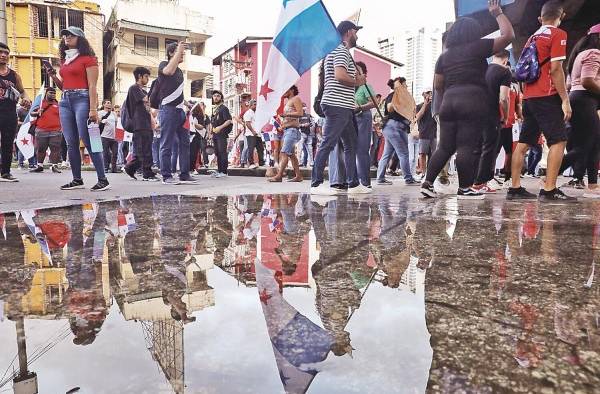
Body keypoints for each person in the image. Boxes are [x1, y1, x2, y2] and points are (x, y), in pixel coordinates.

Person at [421, 0, 514, 199]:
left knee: (444, 146)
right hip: (472, 101)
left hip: (448, 102)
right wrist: (497, 13)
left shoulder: (444, 56)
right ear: (474, 33)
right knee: (466, 146)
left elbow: (438, 84)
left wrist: (451, 95)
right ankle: (464, 188)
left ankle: (427, 183)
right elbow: (508, 36)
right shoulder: (479, 47)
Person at [507, 0, 574, 201]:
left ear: (540, 19)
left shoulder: (531, 38)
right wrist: (565, 99)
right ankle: (549, 190)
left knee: (524, 143)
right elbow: (555, 69)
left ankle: (515, 187)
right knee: (559, 140)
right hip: (547, 95)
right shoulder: (558, 34)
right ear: (561, 17)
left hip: (529, 97)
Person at [44, 26, 109, 191]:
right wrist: (53, 75)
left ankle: (103, 179)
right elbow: (63, 86)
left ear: (80, 38)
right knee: (71, 142)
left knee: (89, 140)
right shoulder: (64, 61)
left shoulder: (89, 59)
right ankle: (76, 179)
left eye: (71, 35)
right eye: (65, 35)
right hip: (65, 101)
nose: (67, 37)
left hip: (83, 100)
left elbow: (93, 86)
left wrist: (93, 109)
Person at [310, 20, 366, 195]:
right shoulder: (340, 50)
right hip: (337, 105)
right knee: (328, 143)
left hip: (344, 105)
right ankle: (316, 184)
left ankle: (354, 184)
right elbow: (340, 75)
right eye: (356, 32)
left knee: (351, 145)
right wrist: (358, 81)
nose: (357, 36)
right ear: (349, 32)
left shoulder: (339, 51)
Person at [559, 24, 600, 198]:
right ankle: (550, 175)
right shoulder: (594, 53)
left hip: (578, 100)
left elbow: (569, 85)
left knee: (593, 144)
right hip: (585, 101)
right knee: (585, 147)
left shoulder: (577, 55)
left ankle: (592, 185)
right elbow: (587, 81)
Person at [473, 49, 512, 193]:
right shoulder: (504, 72)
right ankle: (480, 182)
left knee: (477, 148)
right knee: (489, 148)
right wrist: (506, 115)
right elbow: (503, 98)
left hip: (475, 113)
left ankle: (471, 181)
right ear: (505, 60)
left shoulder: (482, 70)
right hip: (491, 114)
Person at [157, 42, 196, 185]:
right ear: (171, 53)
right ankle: (166, 176)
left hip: (180, 111)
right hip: (168, 110)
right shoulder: (164, 64)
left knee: (185, 143)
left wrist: (186, 104)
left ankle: (184, 174)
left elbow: (177, 91)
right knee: (166, 143)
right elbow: (168, 71)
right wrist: (178, 50)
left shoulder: (179, 71)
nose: (183, 55)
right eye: (180, 52)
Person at [376, 77, 419, 186]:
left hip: (397, 127)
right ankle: (408, 179)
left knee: (387, 153)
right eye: (405, 84)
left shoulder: (401, 96)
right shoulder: (394, 95)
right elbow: (390, 108)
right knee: (404, 153)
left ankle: (380, 178)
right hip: (394, 127)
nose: (407, 86)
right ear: (400, 85)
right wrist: (395, 105)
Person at [0, 42, 29, 182]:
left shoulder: (14, 75)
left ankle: (5, 172)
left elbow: (23, 92)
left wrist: (26, 99)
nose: (3, 55)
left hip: (9, 113)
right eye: (0, 52)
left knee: (7, 143)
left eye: (6, 53)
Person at [124, 66, 157, 182]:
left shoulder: (144, 91)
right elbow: (146, 100)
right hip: (138, 124)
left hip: (146, 124)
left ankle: (146, 172)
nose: (147, 79)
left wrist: (153, 120)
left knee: (147, 150)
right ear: (139, 76)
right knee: (140, 151)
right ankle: (131, 168)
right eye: (146, 76)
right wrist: (155, 89)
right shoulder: (133, 88)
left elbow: (148, 108)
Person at [268, 85, 303, 183]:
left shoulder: (296, 99)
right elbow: (291, 119)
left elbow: (300, 113)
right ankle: (298, 176)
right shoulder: (288, 102)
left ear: (291, 90)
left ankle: (279, 176)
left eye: (285, 89)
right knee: (291, 154)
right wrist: (283, 126)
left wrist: (286, 115)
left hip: (292, 130)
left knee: (284, 153)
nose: (283, 92)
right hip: (288, 130)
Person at [354, 61, 377, 188]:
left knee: (362, 150)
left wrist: (360, 107)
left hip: (363, 117)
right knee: (351, 150)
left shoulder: (366, 86)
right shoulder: (350, 87)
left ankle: (365, 182)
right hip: (352, 119)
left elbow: (374, 103)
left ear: (363, 73)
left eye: (358, 70)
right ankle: (354, 181)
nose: (355, 72)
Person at [29, 87, 62, 174]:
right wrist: (37, 112)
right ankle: (39, 166)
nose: (53, 95)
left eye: (54, 93)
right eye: (51, 93)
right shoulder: (40, 103)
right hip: (41, 130)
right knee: (40, 149)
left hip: (56, 130)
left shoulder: (58, 104)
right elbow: (32, 112)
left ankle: (54, 166)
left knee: (55, 149)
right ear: (46, 93)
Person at [415, 89, 437, 178]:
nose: (430, 94)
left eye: (431, 92)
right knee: (422, 153)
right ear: (423, 94)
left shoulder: (435, 105)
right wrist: (425, 103)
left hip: (434, 133)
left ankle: (432, 174)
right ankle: (423, 173)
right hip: (424, 133)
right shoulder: (419, 106)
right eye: (428, 93)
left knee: (434, 154)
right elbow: (418, 117)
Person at [211, 89, 232, 178]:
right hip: (215, 134)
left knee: (222, 152)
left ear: (221, 98)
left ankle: (224, 171)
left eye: (218, 96)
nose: (216, 97)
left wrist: (220, 127)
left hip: (222, 133)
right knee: (217, 152)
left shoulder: (223, 108)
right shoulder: (215, 109)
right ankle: (219, 170)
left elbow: (229, 120)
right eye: (214, 96)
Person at [190, 102, 211, 173]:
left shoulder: (204, 116)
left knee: (202, 149)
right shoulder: (190, 114)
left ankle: (205, 163)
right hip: (191, 135)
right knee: (195, 151)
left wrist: (208, 134)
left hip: (200, 135)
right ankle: (195, 165)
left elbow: (206, 126)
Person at [98, 100, 118, 173]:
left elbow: (116, 124)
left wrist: (117, 134)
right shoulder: (100, 113)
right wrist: (102, 121)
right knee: (105, 153)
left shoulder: (114, 113)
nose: (109, 104)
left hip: (114, 136)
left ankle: (114, 168)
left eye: (110, 103)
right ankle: (105, 167)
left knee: (115, 153)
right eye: (108, 103)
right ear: (103, 104)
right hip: (104, 136)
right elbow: (96, 121)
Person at [243, 99, 260, 169]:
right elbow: (247, 123)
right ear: (250, 105)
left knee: (260, 148)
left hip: (257, 133)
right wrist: (253, 131)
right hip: (250, 134)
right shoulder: (248, 113)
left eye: (256, 104)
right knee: (251, 148)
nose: (256, 106)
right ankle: (250, 163)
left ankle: (260, 162)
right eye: (254, 104)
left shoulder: (256, 113)